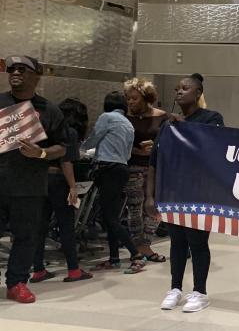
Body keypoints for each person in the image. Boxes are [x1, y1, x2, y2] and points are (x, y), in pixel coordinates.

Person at [145, 73, 224, 313]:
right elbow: (154, 162)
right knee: (177, 242)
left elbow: (212, 150)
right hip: (172, 193)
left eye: (186, 88)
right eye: (177, 88)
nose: (179, 92)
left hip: (200, 193)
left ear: (198, 93)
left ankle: (200, 291)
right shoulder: (167, 125)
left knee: (197, 242)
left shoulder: (212, 118)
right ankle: (175, 288)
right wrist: (150, 196)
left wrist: (185, 128)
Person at [0, 56, 67, 303]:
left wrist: (41, 153)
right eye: (12, 69)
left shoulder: (49, 109)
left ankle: (17, 283)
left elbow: (63, 147)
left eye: (22, 69)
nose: (15, 72)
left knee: (26, 236)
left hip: (29, 186)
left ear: (36, 75)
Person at [31, 97, 93, 283]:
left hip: (39, 179)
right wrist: (73, 187)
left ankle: (38, 270)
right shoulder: (70, 132)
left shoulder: (44, 127)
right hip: (58, 180)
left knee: (39, 227)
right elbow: (66, 162)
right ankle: (73, 270)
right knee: (66, 226)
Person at [84, 91, 143, 273]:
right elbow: (127, 153)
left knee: (109, 218)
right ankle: (114, 258)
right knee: (112, 217)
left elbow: (95, 137)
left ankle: (136, 255)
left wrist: (81, 148)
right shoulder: (129, 124)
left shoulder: (106, 117)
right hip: (121, 169)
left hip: (107, 169)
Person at [123, 77, 167, 264]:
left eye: (135, 98)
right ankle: (139, 246)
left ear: (146, 98)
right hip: (133, 165)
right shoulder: (124, 117)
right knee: (135, 207)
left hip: (156, 167)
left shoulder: (161, 116)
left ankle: (146, 244)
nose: (131, 102)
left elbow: (170, 140)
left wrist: (157, 145)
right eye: (128, 98)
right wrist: (137, 150)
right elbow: (120, 144)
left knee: (156, 206)